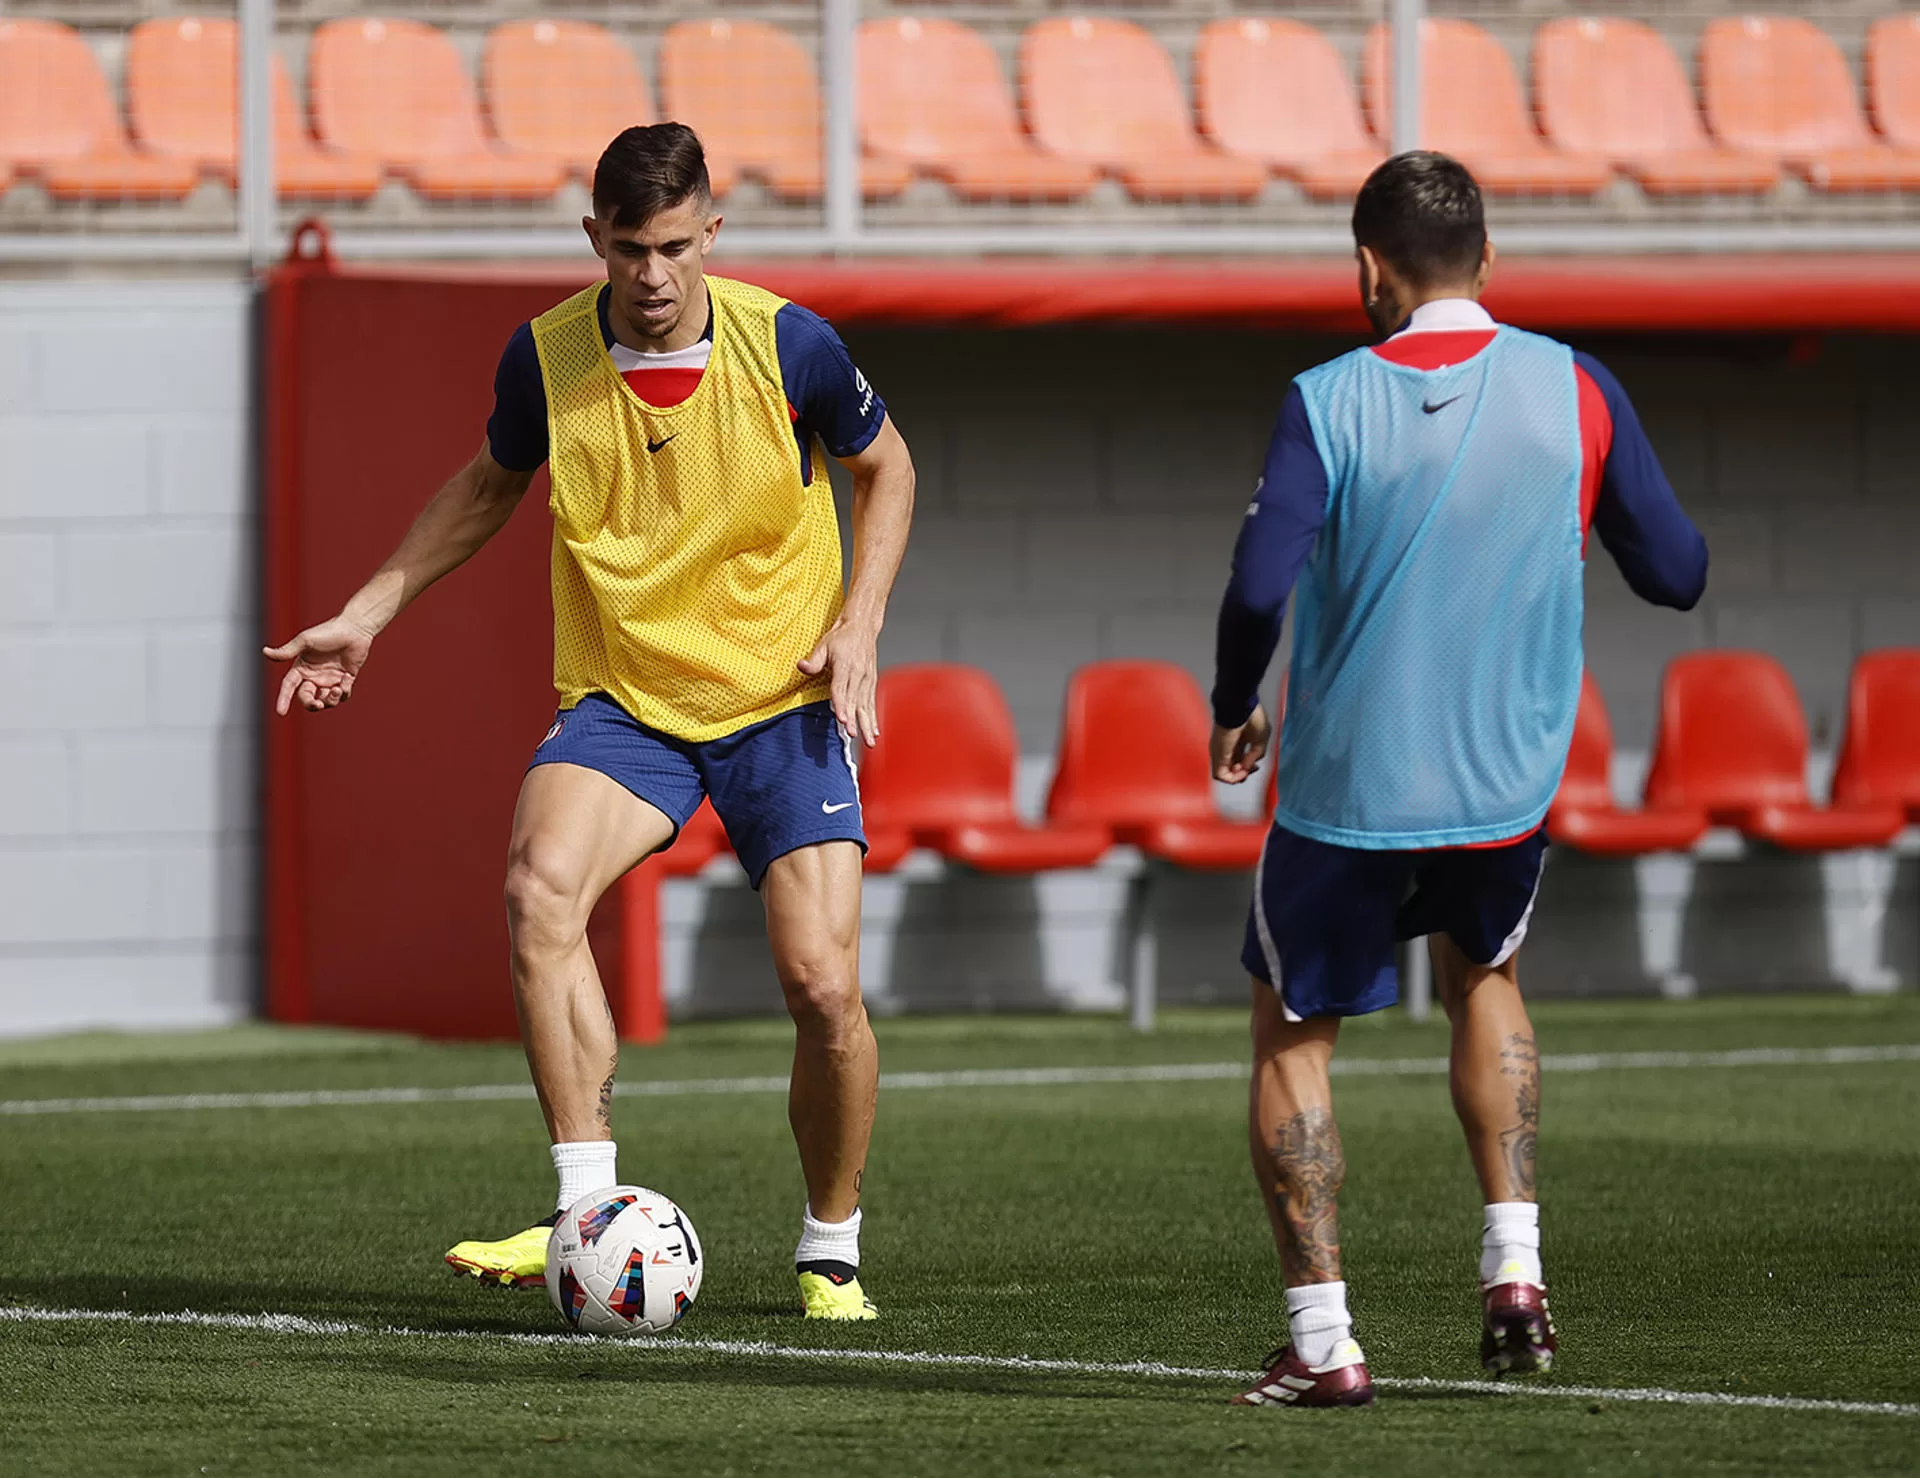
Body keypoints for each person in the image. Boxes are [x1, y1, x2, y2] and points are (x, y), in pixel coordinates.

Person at [264, 123, 916, 1322]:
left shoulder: (793, 347)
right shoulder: (546, 358)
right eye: (630, 249)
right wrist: (367, 612)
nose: (654, 274)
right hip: (630, 701)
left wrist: (862, 618)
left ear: (710, 232)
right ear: (595, 242)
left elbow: (891, 469)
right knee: (536, 888)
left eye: (675, 245)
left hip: (785, 695)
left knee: (822, 984)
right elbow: (484, 487)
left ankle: (831, 1246)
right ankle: (583, 1213)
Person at [1210, 152, 1707, 1406]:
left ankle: (1326, 1344)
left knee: (1294, 1037)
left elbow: (1261, 586)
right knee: (1485, 978)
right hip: (1505, 788)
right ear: (1489, 262)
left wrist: (1233, 703)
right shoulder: (1575, 386)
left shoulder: (1325, 398)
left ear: (1368, 269)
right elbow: (1679, 570)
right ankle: (1516, 1270)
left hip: (1345, 796)